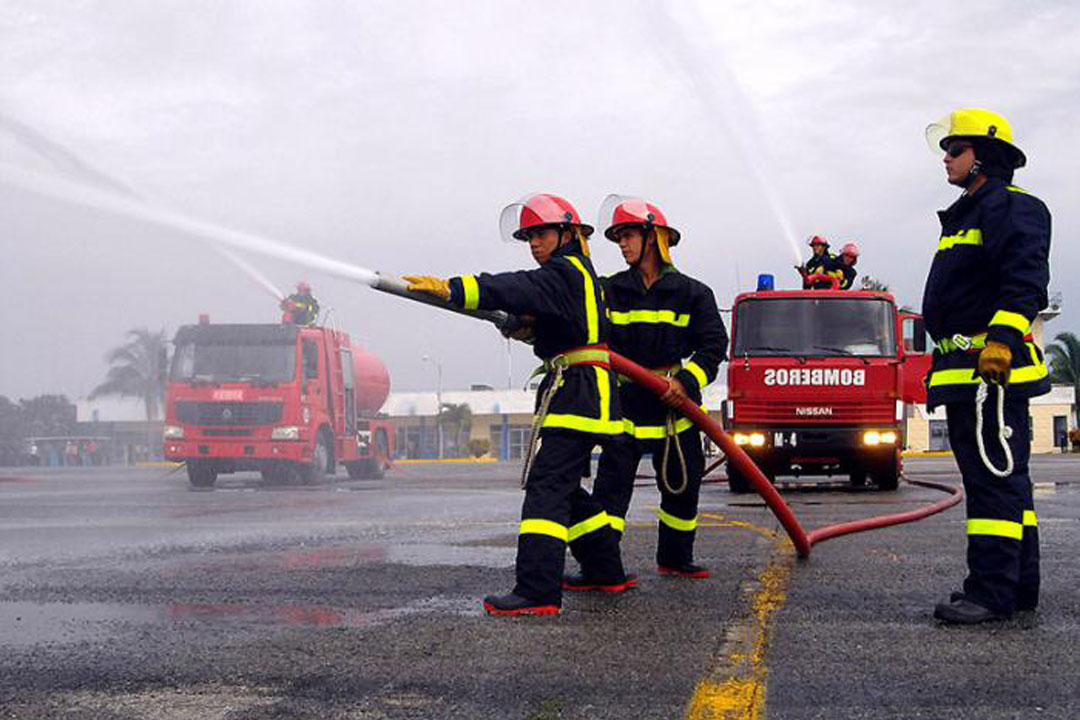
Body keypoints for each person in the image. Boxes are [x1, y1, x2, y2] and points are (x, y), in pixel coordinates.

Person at [404, 193, 634, 616]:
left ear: (567, 233)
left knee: (546, 490)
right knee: (566, 488)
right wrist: (526, 328)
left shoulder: (563, 272)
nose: (533, 243)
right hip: (586, 389)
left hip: (577, 391)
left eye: (541, 233)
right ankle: (605, 569)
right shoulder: (578, 276)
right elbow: (559, 324)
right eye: (528, 236)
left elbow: (513, 286)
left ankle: (537, 591)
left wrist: (453, 288)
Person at [922, 108, 1051, 624]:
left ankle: (992, 594)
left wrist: (999, 341)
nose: (946, 159)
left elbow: (1025, 282)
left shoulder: (1010, 207)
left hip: (989, 375)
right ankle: (1015, 585)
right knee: (1005, 483)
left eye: (955, 149)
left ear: (983, 155)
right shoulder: (972, 212)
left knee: (994, 483)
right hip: (968, 374)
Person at [565, 196, 727, 585]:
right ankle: (600, 566)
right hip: (624, 410)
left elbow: (713, 347)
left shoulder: (693, 293)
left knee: (683, 490)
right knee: (610, 494)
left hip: (676, 411)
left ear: (653, 237)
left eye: (628, 235)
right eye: (618, 237)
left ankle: (675, 558)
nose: (621, 244)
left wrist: (685, 383)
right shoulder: (608, 291)